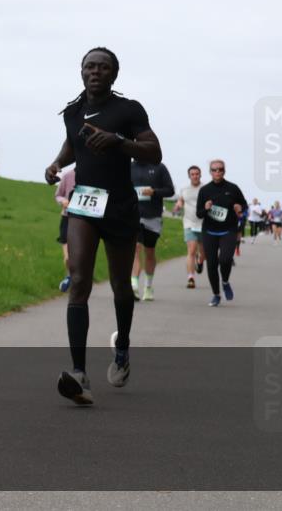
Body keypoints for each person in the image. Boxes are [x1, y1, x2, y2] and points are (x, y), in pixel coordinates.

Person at [45, 47, 163, 405]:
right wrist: (56, 164)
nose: (95, 71)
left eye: (103, 67)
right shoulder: (73, 111)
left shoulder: (128, 110)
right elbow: (72, 144)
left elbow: (153, 150)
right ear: (81, 71)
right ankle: (79, 375)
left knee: (119, 288)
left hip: (120, 207)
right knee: (79, 278)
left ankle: (122, 349)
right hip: (84, 204)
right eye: (89, 66)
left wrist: (118, 142)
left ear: (114, 74)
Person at [195, 159, 247, 307]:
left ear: (224, 171)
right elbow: (199, 214)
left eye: (220, 169)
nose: (217, 172)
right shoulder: (204, 190)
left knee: (225, 260)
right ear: (210, 172)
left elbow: (244, 205)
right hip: (209, 231)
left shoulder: (233, 188)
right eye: (214, 169)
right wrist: (205, 208)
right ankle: (216, 295)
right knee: (211, 264)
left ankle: (225, 281)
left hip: (228, 230)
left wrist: (240, 209)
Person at [130, 159, 175, 301]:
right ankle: (134, 286)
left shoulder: (159, 167)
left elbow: (170, 190)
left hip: (153, 216)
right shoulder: (128, 167)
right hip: (133, 215)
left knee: (149, 252)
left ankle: (148, 287)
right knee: (135, 248)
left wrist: (154, 192)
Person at [173, 166, 206, 289]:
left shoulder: (206, 189)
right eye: (192, 174)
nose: (195, 176)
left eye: (197, 174)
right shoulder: (184, 189)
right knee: (191, 251)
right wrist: (178, 206)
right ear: (189, 176)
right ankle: (191, 278)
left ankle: (200, 261)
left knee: (203, 254)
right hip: (189, 223)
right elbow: (181, 201)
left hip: (203, 224)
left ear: (200, 175)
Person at [55, 167, 77, 292]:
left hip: (85, 221)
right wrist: (63, 201)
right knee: (68, 257)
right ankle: (70, 276)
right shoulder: (68, 176)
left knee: (80, 255)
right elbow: (58, 195)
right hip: (67, 218)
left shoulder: (93, 175)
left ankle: (78, 278)